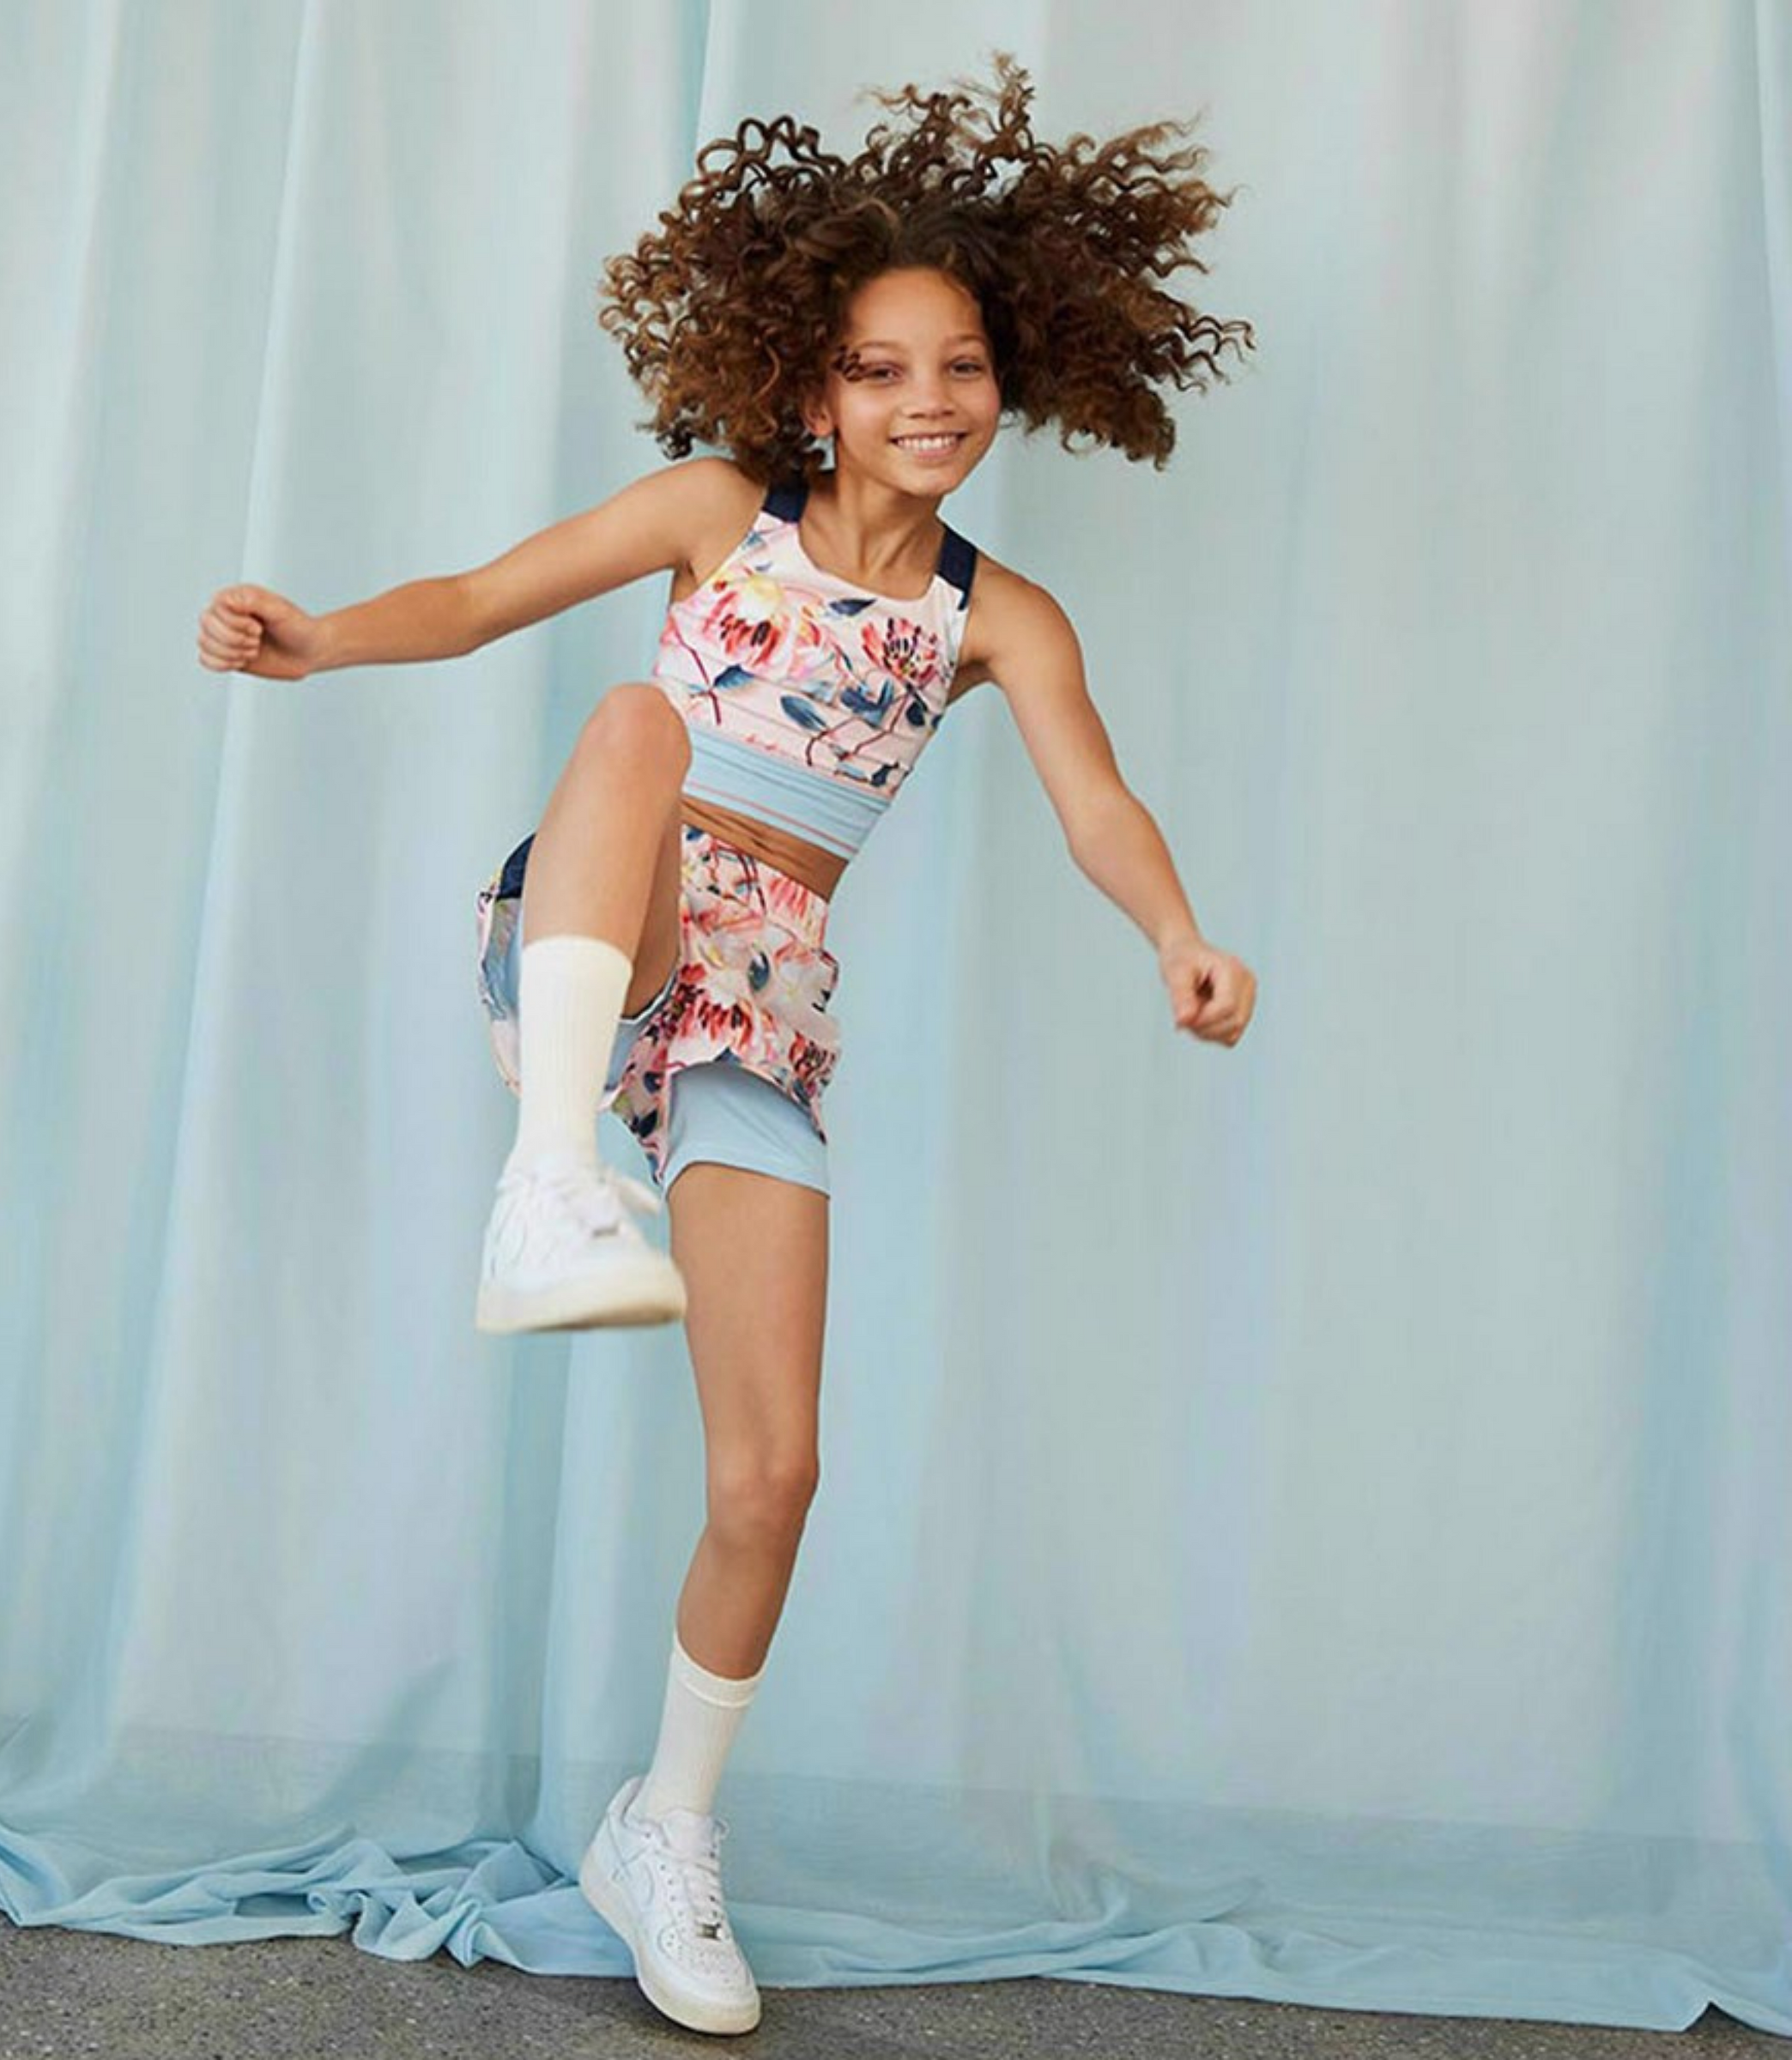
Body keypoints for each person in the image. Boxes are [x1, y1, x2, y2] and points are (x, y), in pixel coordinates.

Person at [196, 53, 1258, 2040]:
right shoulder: (716, 513)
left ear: (1009, 381)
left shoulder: (999, 619)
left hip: (764, 1000)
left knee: (775, 1473)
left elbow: (1098, 805)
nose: (928, 399)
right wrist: (321, 637)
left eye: (960, 366)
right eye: (881, 367)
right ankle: (549, 1178)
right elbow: (483, 597)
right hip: (607, 915)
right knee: (632, 722)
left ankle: (664, 1829)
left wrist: (1179, 933)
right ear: (809, 388)